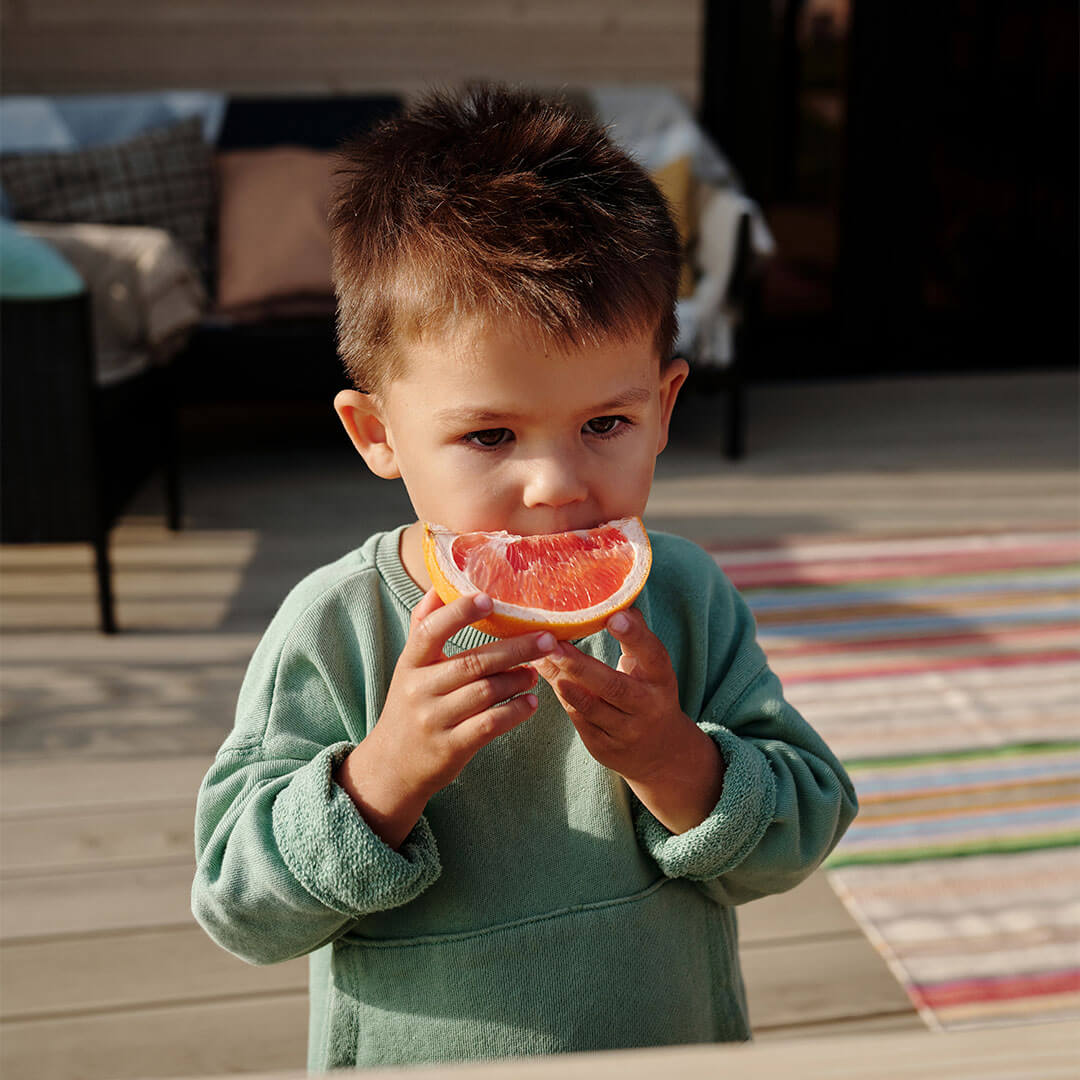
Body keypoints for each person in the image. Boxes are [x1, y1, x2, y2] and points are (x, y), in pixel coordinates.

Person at [191, 84, 857, 1073]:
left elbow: (804, 828)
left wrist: (678, 760)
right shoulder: (336, 628)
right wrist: (380, 779)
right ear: (377, 434)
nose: (555, 484)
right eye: (489, 434)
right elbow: (241, 910)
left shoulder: (685, 597)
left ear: (666, 405)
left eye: (605, 425)